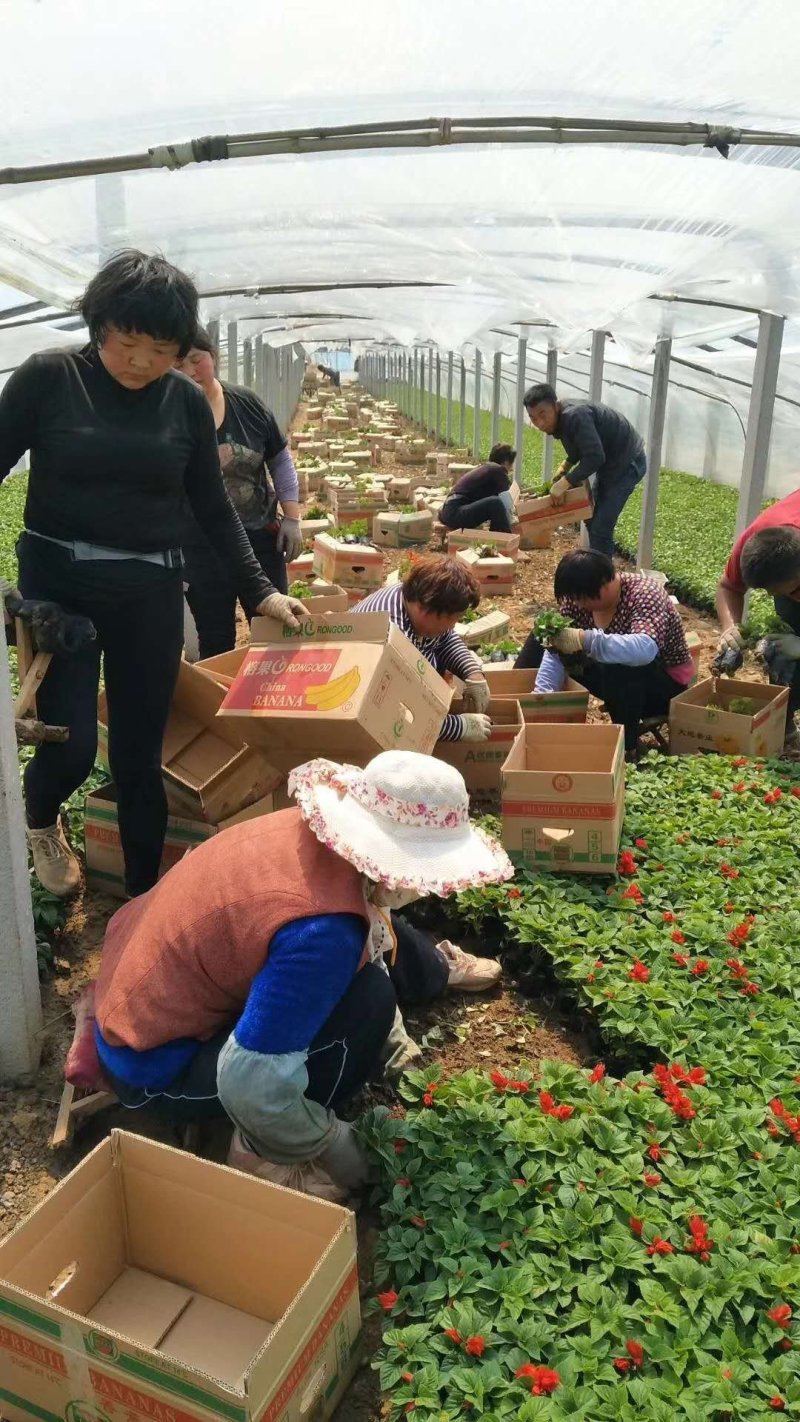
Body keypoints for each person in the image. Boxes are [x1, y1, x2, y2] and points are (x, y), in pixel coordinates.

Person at [0, 250, 306, 901]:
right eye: (128, 341)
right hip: (62, 595)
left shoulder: (183, 406)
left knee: (141, 758)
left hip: (150, 597)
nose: (141, 361)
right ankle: (41, 821)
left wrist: (261, 591)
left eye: (160, 348)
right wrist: (9, 595)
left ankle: (142, 900)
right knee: (74, 746)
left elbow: (214, 509)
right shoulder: (48, 379)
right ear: (98, 323)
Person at [93, 750, 513, 1202]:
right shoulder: (325, 933)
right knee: (366, 1005)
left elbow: (365, 940)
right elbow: (249, 1083)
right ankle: (262, 1153)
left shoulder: (309, 835)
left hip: (132, 982)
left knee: (368, 980)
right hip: (150, 1067)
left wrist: (397, 1051)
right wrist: (334, 1146)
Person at [176, 328, 304, 659]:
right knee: (215, 637)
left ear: (213, 358)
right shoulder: (169, 416)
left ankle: (273, 702)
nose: (190, 371)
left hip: (260, 536)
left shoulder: (246, 403)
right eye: (179, 363)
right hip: (200, 547)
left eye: (196, 359)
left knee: (273, 627)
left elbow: (280, 461)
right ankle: (218, 704)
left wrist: (292, 518)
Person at [516, 550, 694, 757]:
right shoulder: (576, 602)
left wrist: (588, 639)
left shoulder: (644, 593)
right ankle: (518, 711)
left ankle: (628, 749)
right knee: (543, 636)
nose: (579, 605)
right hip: (615, 683)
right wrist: (543, 695)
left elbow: (645, 650)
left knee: (618, 664)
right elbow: (556, 648)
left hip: (662, 687)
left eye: (583, 598)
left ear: (604, 584)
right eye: (574, 599)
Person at [351, 556, 493, 741]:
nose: (452, 627)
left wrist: (472, 673)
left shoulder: (413, 602)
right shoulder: (394, 635)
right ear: (425, 608)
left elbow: (445, 638)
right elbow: (400, 711)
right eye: (452, 619)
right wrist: (459, 727)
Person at [714, 488, 800, 749]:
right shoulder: (757, 540)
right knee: (784, 649)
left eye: (789, 589)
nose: (773, 596)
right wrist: (731, 628)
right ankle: (781, 719)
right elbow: (728, 587)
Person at [523, 383, 646, 557]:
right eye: (533, 418)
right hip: (610, 464)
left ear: (556, 406)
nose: (540, 423)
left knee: (601, 527)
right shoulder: (561, 421)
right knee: (590, 515)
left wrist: (566, 482)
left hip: (627, 463)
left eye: (543, 414)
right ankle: (597, 565)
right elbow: (578, 445)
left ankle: (602, 578)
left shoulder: (575, 415)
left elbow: (595, 457)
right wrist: (566, 465)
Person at [439, 444, 517, 534]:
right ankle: (502, 540)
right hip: (455, 514)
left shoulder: (487, 469)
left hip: (449, 512)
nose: (511, 468)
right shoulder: (498, 471)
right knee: (495, 503)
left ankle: (499, 539)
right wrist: (514, 522)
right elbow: (506, 503)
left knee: (495, 503)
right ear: (506, 462)